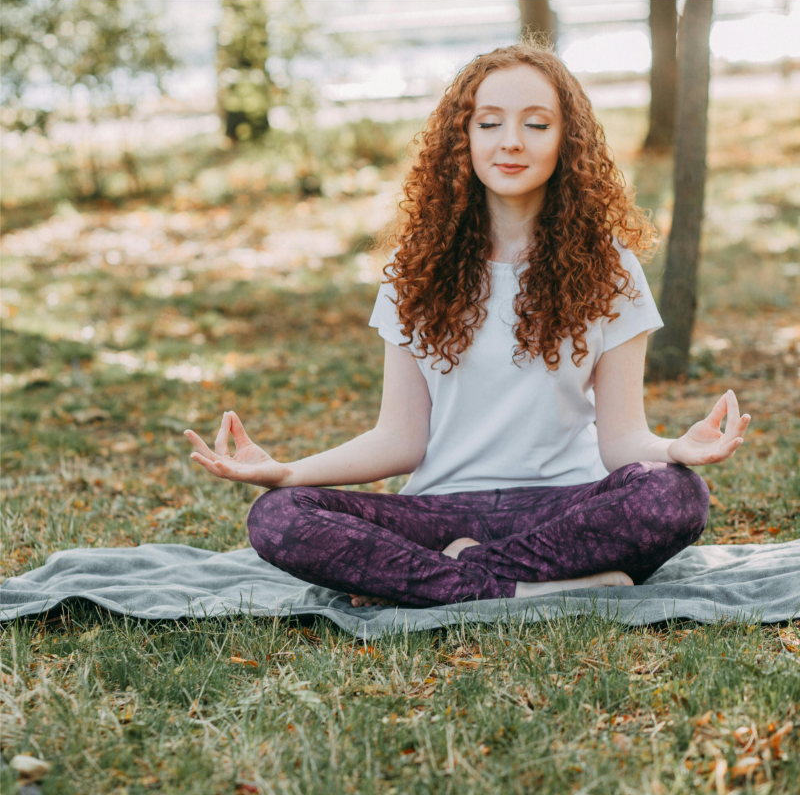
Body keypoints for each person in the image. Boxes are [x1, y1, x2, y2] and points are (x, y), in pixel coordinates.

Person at [184, 43, 751, 609]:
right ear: (464, 139)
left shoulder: (611, 268)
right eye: (489, 123)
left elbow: (623, 440)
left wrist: (674, 448)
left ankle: (449, 578)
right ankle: (540, 587)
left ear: (566, 141)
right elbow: (399, 440)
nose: (511, 141)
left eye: (536, 124)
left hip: (566, 510)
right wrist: (287, 472)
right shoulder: (416, 270)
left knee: (675, 495)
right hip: (439, 511)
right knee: (278, 517)